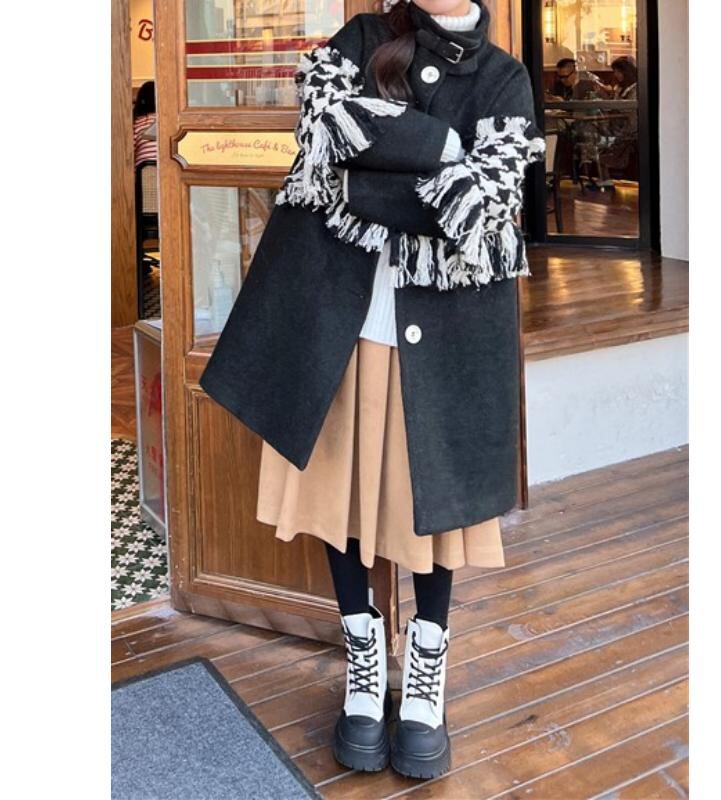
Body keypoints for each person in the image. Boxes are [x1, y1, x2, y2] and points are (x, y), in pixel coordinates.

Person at [199, 0, 544, 780]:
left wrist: (370, 171)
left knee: (430, 498)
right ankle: (362, 652)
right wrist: (443, 146)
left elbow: (483, 210)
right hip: (335, 315)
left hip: (442, 331)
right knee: (338, 493)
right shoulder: (363, 38)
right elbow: (323, 134)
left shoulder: (505, 78)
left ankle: (426, 669)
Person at [132, 81, 157, 167]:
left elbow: (129, 152)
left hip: (143, 169)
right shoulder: (168, 121)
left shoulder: (136, 122)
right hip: (167, 167)